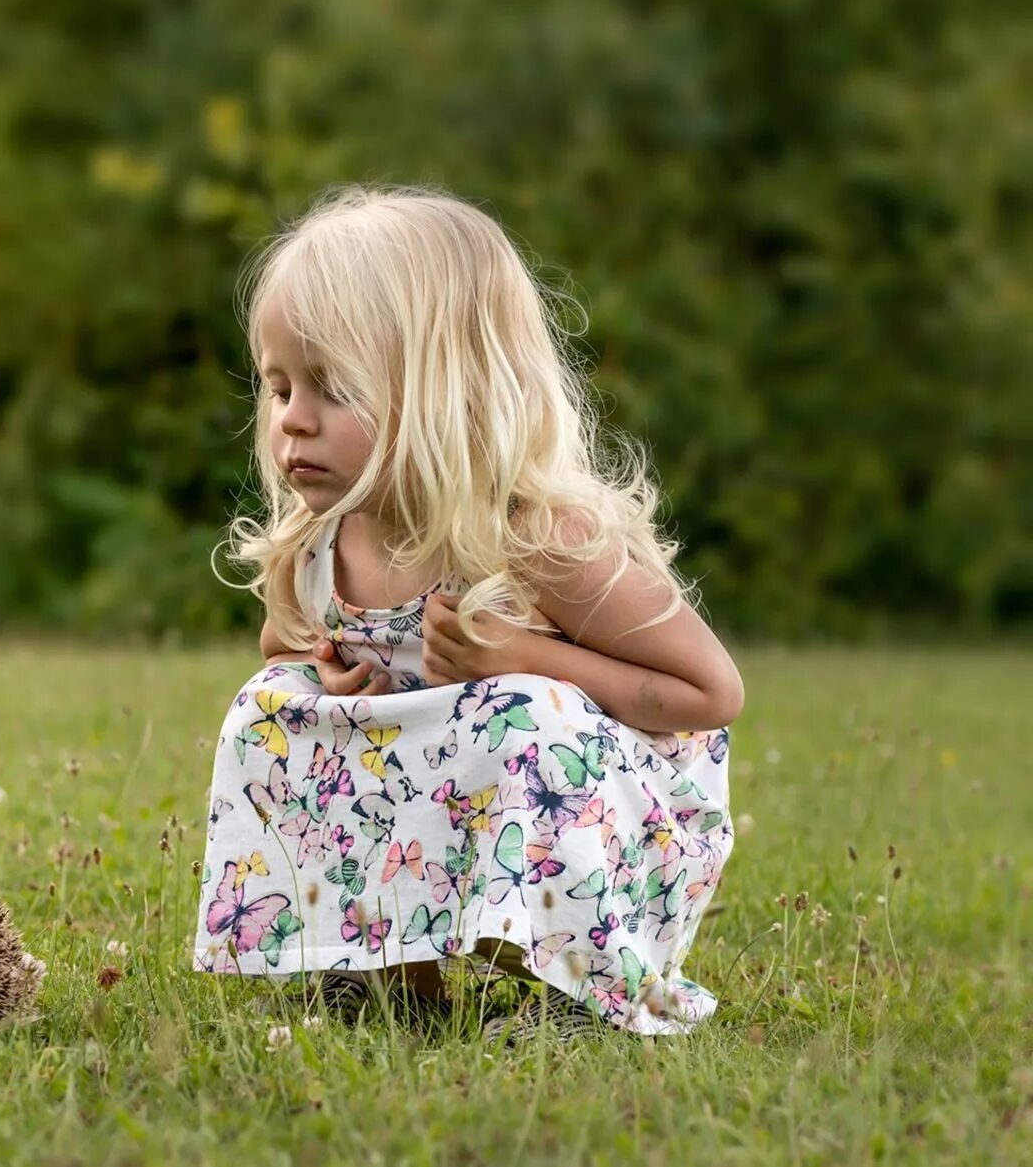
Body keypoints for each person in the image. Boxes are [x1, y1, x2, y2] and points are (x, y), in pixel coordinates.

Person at [193, 185, 742, 1040]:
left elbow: (710, 693)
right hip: (458, 806)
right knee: (271, 709)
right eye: (277, 386)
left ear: (450, 386)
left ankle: (589, 997)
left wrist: (522, 657)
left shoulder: (536, 536)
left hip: (629, 835)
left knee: (528, 714)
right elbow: (288, 645)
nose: (291, 421)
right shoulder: (320, 542)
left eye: (332, 388)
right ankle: (381, 975)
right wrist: (319, 674)